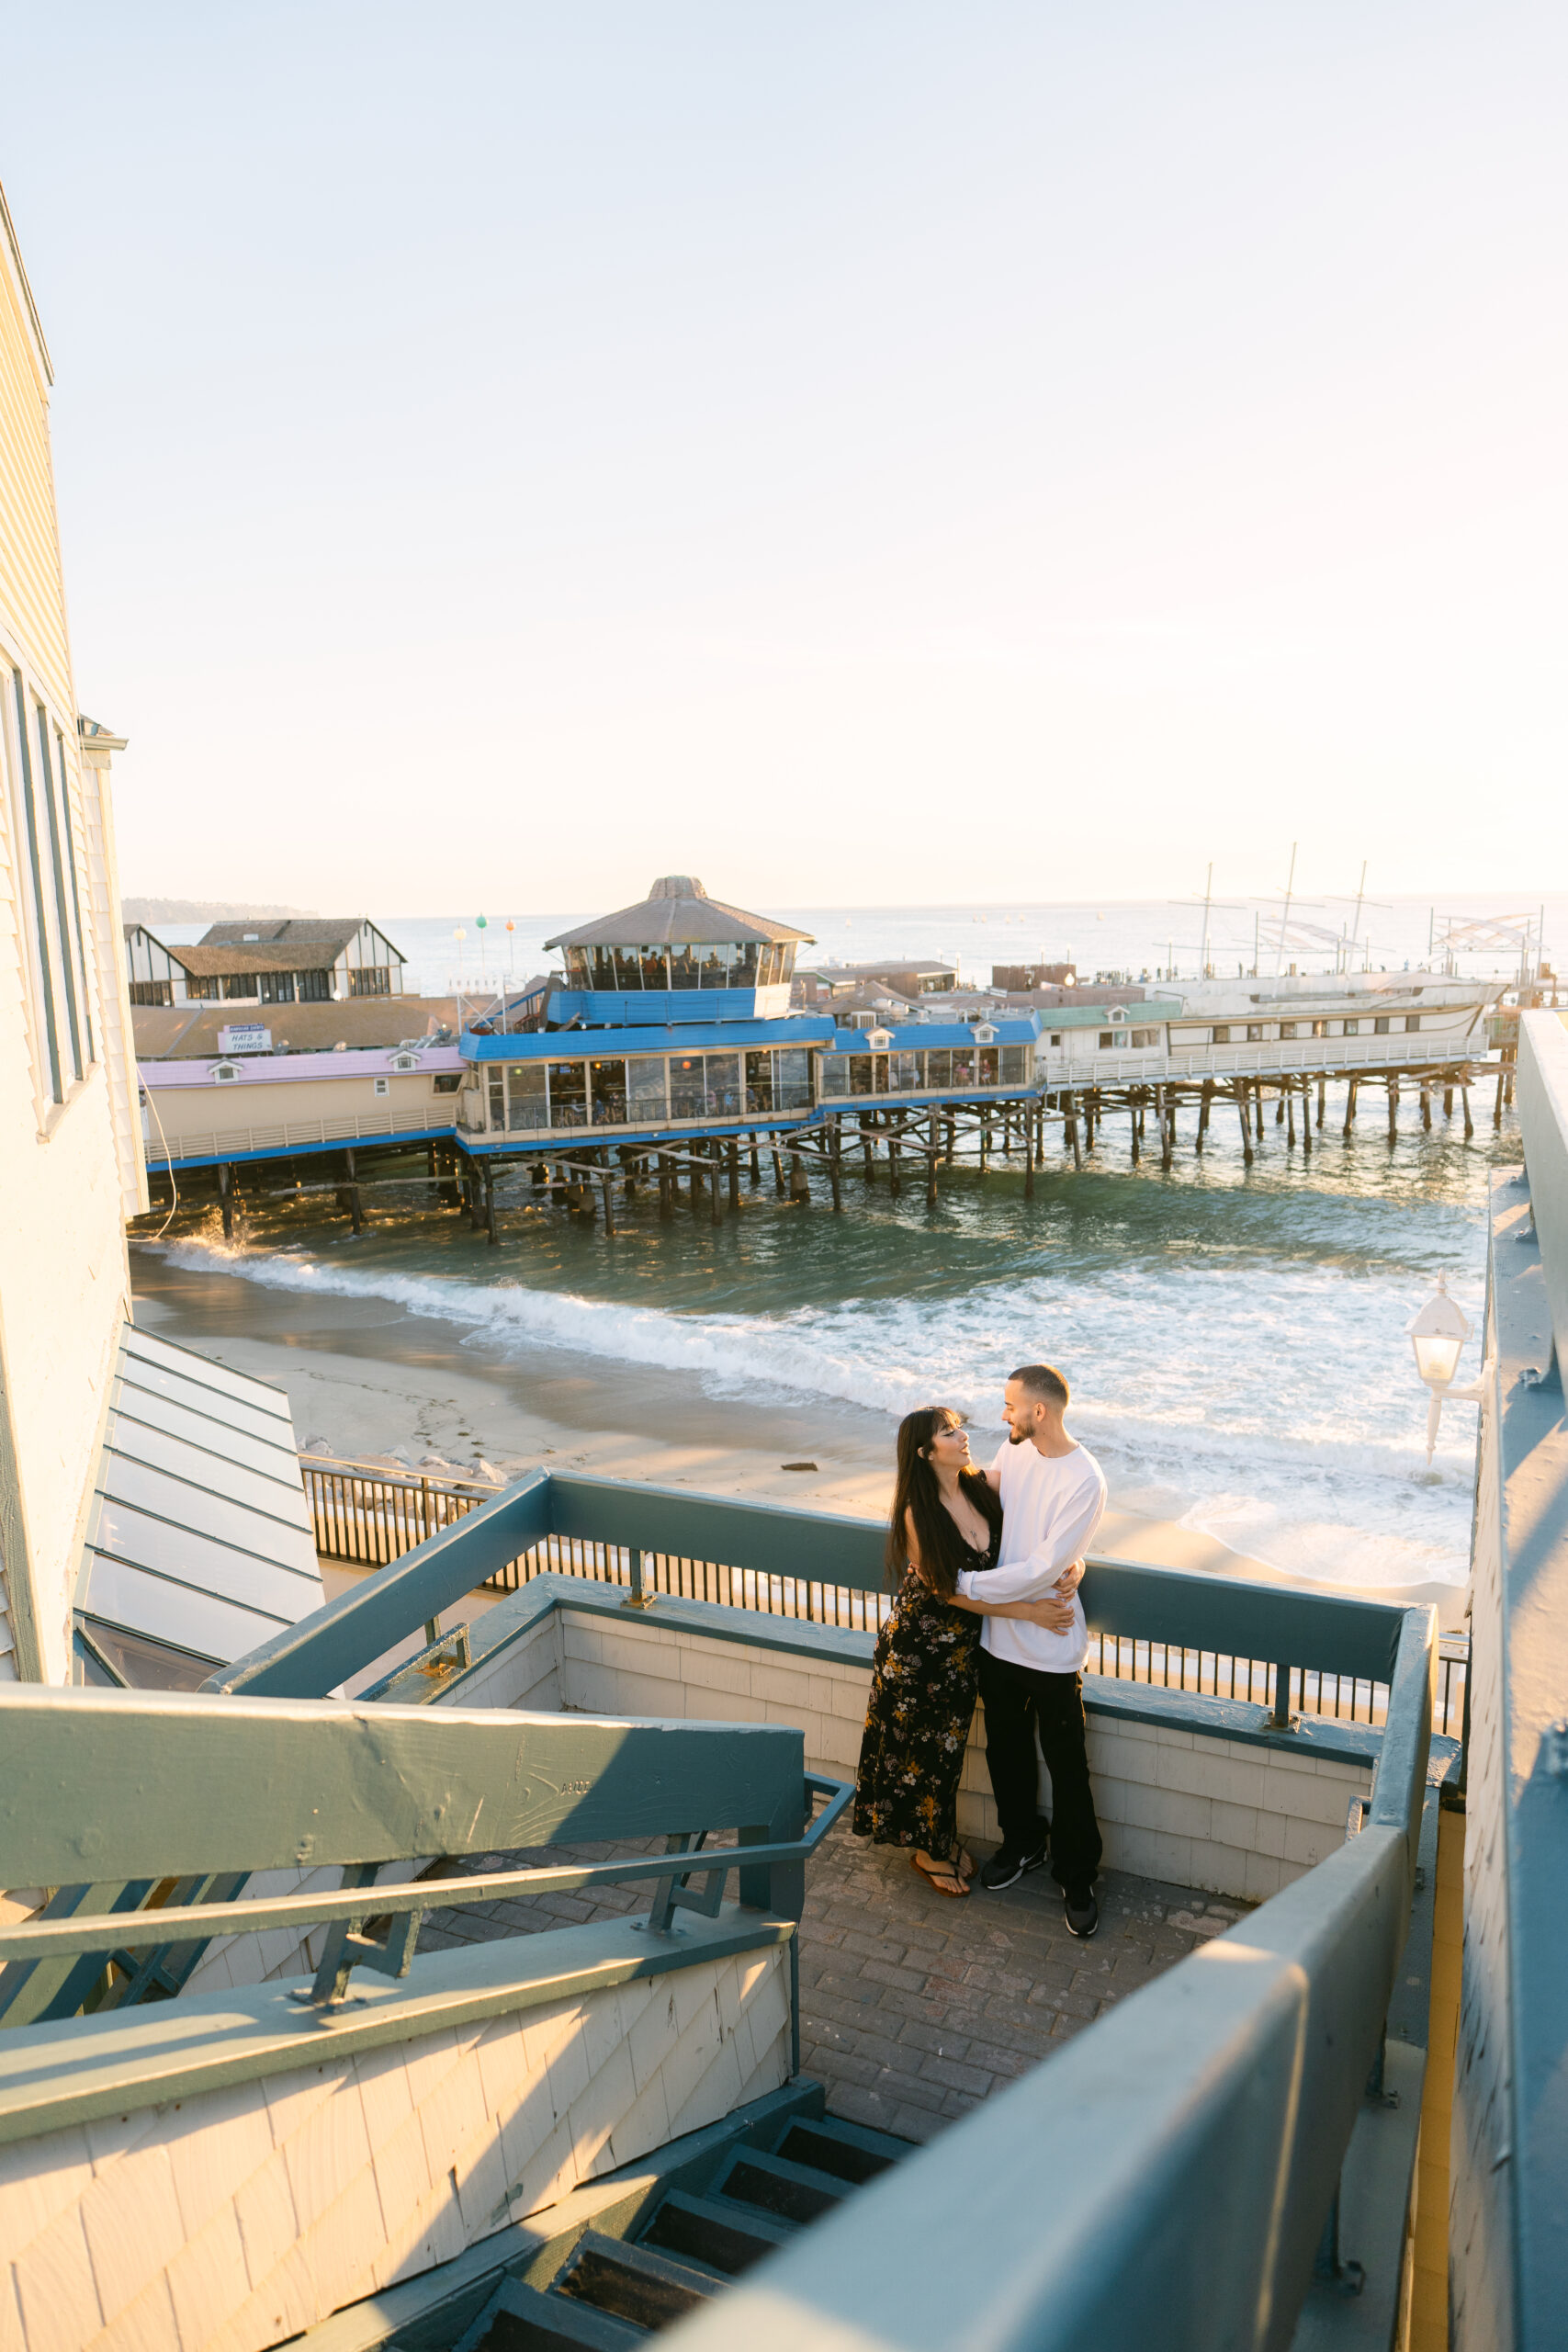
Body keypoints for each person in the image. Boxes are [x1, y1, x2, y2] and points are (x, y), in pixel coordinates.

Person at [853, 1406, 1085, 1898]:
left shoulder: (981, 1486)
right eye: (948, 1432)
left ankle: (939, 1841)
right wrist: (1029, 1612)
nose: (963, 1437)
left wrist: (1075, 1557)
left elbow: (1046, 1510)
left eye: (958, 1428)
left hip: (964, 1651)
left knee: (947, 1754)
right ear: (925, 1452)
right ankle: (927, 1852)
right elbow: (945, 1590)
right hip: (918, 1649)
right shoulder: (918, 1514)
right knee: (919, 1755)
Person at [954, 1363, 1108, 1939]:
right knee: (1006, 1753)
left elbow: (1045, 1566)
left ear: (1038, 1412)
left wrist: (963, 1588)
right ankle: (1022, 1845)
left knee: (1068, 1767)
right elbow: (987, 1495)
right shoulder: (1013, 1450)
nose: (1003, 1414)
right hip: (999, 1639)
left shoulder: (1085, 1478)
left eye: (1009, 1404)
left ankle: (1078, 1874)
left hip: (1051, 1640)